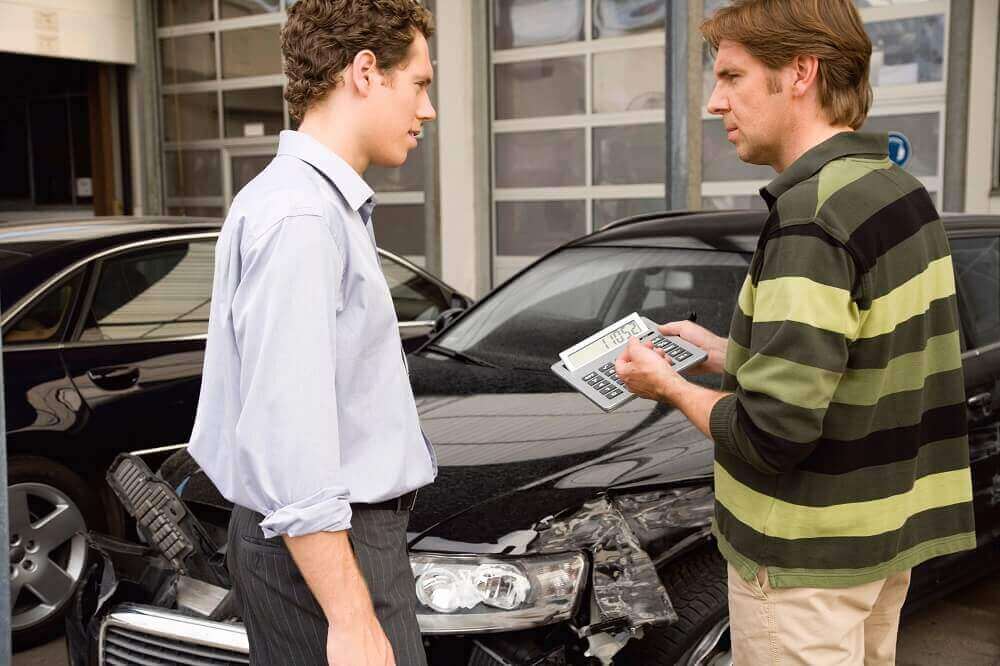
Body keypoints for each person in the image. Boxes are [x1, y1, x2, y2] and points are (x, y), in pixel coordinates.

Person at [615, 1, 975, 663]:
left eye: (731, 77)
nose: (715, 103)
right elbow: (864, 358)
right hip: (880, 543)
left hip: (804, 565)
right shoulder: (896, 189)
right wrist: (725, 352)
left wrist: (667, 385)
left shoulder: (813, 215)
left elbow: (772, 434)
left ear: (802, 72)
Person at [187, 1, 438, 664]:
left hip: (317, 547)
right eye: (419, 84)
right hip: (325, 554)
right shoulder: (302, 216)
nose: (428, 110)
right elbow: (290, 441)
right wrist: (352, 618)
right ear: (364, 73)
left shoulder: (307, 202)